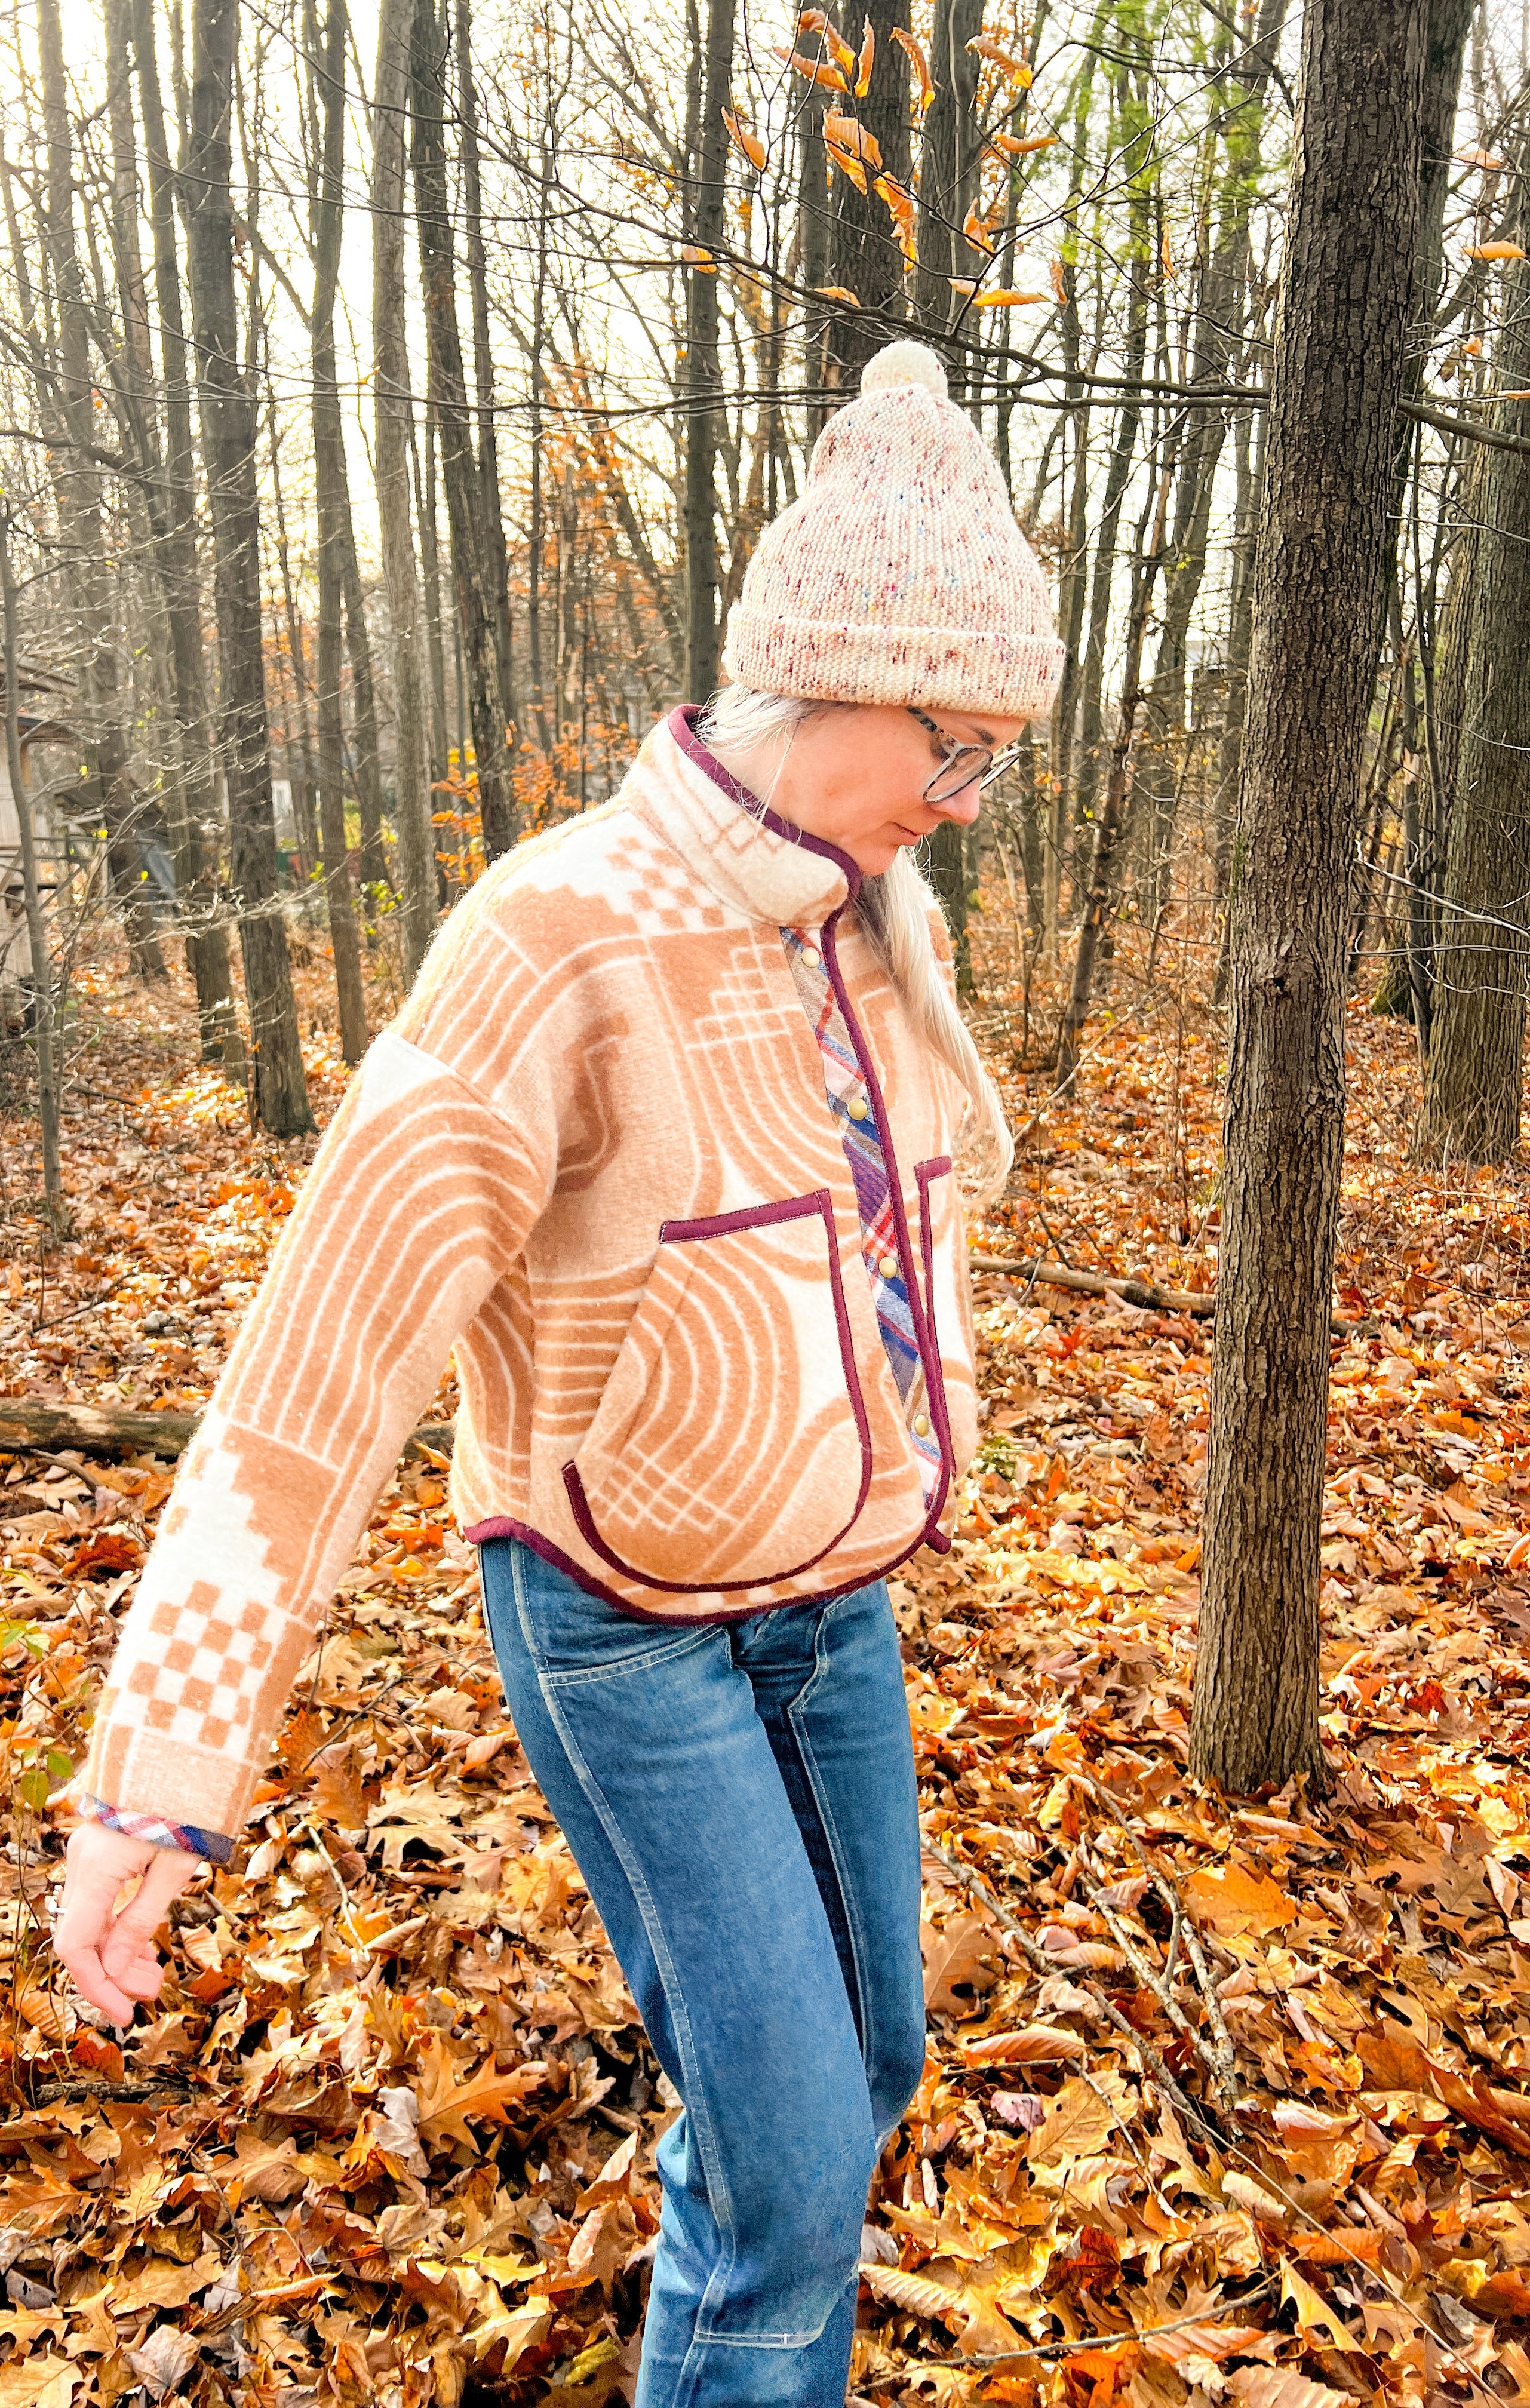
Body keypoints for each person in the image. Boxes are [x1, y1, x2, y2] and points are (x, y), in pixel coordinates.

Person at [54, 337, 1064, 2406]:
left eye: (991, 765)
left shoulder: (882, 920)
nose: (960, 802)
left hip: (825, 1606)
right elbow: (311, 1376)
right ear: (835, 683)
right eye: (955, 748)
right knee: (792, 2165)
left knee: (866, 2065)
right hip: (625, 1627)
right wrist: (157, 1788)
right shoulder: (553, 937)